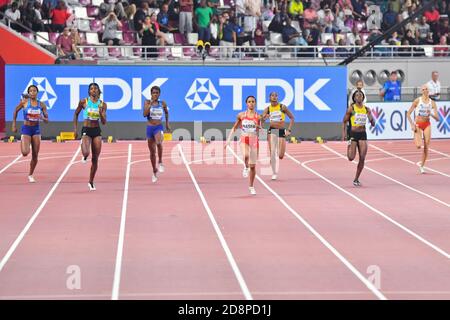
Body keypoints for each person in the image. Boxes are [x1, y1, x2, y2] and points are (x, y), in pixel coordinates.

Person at [73, 83, 107, 191]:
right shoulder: (84, 102)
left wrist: (101, 113)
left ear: (98, 91)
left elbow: (104, 122)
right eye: (91, 89)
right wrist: (75, 129)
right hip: (86, 130)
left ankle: (91, 181)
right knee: (86, 153)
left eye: (95, 89)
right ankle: (84, 149)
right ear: (89, 91)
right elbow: (76, 114)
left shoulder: (102, 104)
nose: (93, 90)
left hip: (96, 130)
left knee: (95, 158)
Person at [11, 85, 49, 183]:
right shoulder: (24, 102)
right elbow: (15, 110)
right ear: (28, 93)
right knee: (24, 153)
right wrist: (14, 124)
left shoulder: (41, 105)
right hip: (26, 129)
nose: (32, 92)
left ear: (37, 92)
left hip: (36, 130)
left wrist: (42, 118)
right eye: (31, 91)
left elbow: (47, 120)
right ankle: (24, 142)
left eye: (34, 90)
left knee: (35, 155)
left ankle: (30, 174)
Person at [225, 96, 260, 195]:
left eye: (253, 101)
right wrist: (228, 140)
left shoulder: (258, 116)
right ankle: (245, 167)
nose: (251, 103)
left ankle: (251, 186)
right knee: (245, 156)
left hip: (254, 141)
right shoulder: (241, 115)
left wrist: (258, 127)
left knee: (253, 166)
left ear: (255, 103)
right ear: (246, 103)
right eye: (249, 101)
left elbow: (259, 131)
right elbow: (234, 128)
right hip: (244, 139)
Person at [342, 90, 375, 186]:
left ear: (363, 97)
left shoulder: (366, 109)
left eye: (361, 95)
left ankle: (356, 179)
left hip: (362, 134)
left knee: (362, 158)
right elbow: (344, 121)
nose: (359, 97)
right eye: (357, 95)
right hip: (353, 134)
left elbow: (372, 123)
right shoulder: (351, 108)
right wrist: (344, 133)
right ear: (354, 98)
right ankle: (349, 145)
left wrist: (372, 120)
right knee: (351, 158)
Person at [261, 92, 295, 180]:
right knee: (272, 152)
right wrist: (264, 117)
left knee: (280, 155)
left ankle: (275, 156)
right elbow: (261, 121)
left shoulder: (282, 107)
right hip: (272, 130)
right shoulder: (267, 109)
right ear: (269, 97)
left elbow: (292, 118)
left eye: (276, 95)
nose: (274, 97)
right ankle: (274, 173)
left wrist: (289, 130)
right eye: (272, 95)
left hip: (281, 131)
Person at [406, 85, 439, 174]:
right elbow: (408, 114)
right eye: (423, 89)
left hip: (427, 124)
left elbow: (437, 118)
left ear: (429, 91)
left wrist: (430, 114)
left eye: (426, 89)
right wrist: (412, 124)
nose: (425, 91)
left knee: (426, 146)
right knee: (418, 146)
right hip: (418, 124)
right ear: (421, 91)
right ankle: (416, 136)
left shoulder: (432, 103)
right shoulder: (417, 101)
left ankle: (422, 166)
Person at [143, 86, 171, 183]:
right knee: (152, 152)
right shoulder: (147, 102)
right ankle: (154, 170)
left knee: (159, 143)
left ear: (159, 94)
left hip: (158, 127)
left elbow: (167, 113)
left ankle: (160, 161)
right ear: (151, 94)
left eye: (157, 93)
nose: (155, 94)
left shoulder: (162, 103)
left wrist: (167, 124)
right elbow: (144, 114)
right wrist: (150, 105)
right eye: (153, 93)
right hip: (150, 128)